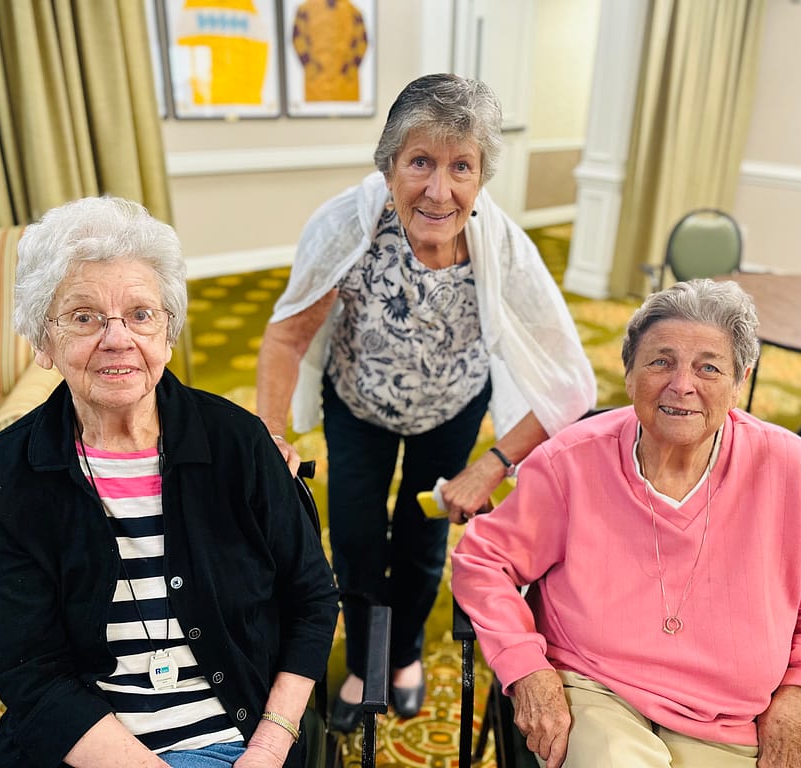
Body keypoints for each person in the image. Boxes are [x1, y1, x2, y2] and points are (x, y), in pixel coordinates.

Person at [256, 73, 597, 731]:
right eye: (420, 162)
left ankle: (404, 654)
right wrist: (272, 431)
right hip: (358, 406)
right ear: (388, 166)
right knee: (355, 539)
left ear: (481, 177)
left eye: (460, 166)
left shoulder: (503, 251)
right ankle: (365, 662)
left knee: (421, 539)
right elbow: (285, 334)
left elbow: (570, 383)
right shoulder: (348, 230)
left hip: (452, 409)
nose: (439, 190)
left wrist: (491, 463)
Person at [0, 197, 340, 768]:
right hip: (82, 749)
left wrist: (269, 744)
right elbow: (31, 672)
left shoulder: (238, 443)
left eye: (141, 314)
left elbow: (312, 599)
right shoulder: (4, 475)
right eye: (84, 316)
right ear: (42, 341)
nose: (117, 339)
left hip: (234, 741)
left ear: (168, 334)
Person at [451, 279, 801, 768]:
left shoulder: (796, 471)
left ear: (740, 383)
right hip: (595, 695)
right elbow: (482, 561)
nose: (681, 385)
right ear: (629, 375)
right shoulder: (571, 461)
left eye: (708, 367)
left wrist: (800, 697)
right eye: (660, 362)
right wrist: (528, 670)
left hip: (733, 720)